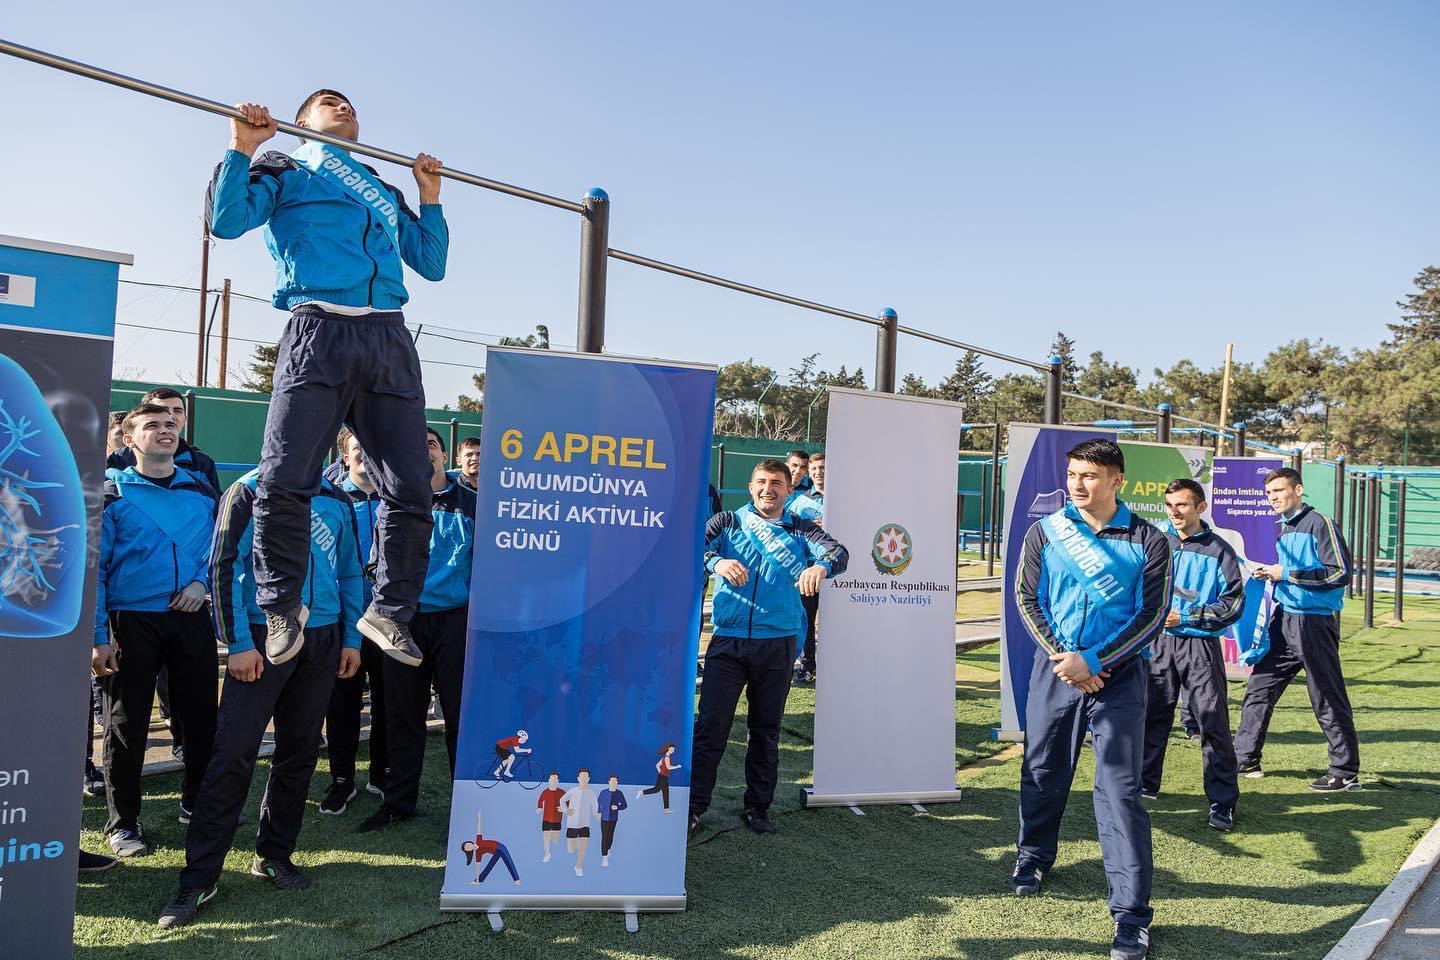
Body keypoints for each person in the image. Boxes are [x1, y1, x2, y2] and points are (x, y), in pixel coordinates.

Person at [208, 90, 449, 670]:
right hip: (318, 329)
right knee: (286, 477)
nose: (344, 108)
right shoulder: (285, 167)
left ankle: (390, 611)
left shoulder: (381, 188)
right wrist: (242, 147)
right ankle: (281, 605)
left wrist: (429, 197)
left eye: (350, 105)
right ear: (302, 122)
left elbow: (432, 263)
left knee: (412, 486)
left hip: (388, 336)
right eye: (328, 102)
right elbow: (226, 221)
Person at [157, 468, 363, 928]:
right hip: (260, 636)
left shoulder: (337, 497)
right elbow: (222, 566)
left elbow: (350, 571)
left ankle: (274, 854)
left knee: (300, 752)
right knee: (233, 753)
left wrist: (350, 638)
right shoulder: (248, 490)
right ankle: (199, 877)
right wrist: (238, 643)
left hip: (323, 638)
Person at [1013, 439, 1171, 960]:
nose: (1078, 484)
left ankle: (1131, 915)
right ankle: (1033, 857)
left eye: (1090, 475)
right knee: (1042, 768)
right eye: (1073, 474)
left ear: (1117, 480)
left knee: (1121, 791)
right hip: (1056, 669)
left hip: (1120, 678)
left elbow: (1152, 615)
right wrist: (1067, 661)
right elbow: (1027, 598)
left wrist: (1096, 661)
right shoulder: (1046, 530)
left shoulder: (1149, 540)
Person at [690, 460, 848, 838]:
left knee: (765, 731)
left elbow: (838, 553)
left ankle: (758, 807)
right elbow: (692, 548)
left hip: (777, 644)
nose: (768, 489)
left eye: (776, 483)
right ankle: (693, 808)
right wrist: (716, 561)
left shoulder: (802, 528)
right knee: (710, 728)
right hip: (728, 641)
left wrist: (821, 568)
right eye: (761, 482)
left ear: (789, 490)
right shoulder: (727, 521)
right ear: (750, 487)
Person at [92, 404, 220, 859]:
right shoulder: (111, 492)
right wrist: (98, 637)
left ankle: (196, 804)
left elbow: (218, 552)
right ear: (129, 440)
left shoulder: (201, 490)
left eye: (170, 424)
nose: (165, 430)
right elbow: (95, 570)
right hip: (131, 622)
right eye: (152, 425)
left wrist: (201, 584)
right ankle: (123, 822)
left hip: (191, 618)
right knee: (126, 725)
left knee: (201, 719)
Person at [359, 428, 476, 832]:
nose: (423, 450)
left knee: (460, 716)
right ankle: (398, 802)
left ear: (444, 454)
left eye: (430, 444)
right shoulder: (394, 506)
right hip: (402, 624)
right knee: (402, 715)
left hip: (457, 623)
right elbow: (375, 564)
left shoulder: (473, 505)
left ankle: (468, 806)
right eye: (414, 443)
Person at [1233, 467, 1358, 791]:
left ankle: (1344, 771)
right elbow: (1290, 573)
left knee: (1325, 694)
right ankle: (1244, 758)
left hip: (1313, 623)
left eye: (1278, 490)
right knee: (1260, 686)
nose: (1272, 498)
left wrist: (1285, 573)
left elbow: (1339, 573)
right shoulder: (1285, 528)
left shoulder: (1321, 523)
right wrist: (1270, 574)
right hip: (1285, 619)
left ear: (1298, 490)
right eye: (1268, 493)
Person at [1142, 479, 1243, 832]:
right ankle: (1144, 785)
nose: (1174, 512)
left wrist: (1185, 616)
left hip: (1200, 647)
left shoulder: (1220, 551)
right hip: (1157, 644)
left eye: (1182, 505)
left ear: (1200, 507)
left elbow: (1233, 605)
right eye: (1169, 505)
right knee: (1151, 716)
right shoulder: (1157, 541)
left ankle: (1222, 801)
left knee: (1212, 723)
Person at [321, 429, 390, 813]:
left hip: (386, 619)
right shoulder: (330, 499)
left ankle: (381, 772)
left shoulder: (395, 500)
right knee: (342, 703)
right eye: (357, 449)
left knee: (388, 698)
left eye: (371, 447)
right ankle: (341, 779)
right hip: (342, 617)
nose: (365, 455)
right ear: (344, 458)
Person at [107, 389, 221, 493]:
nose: (171, 416)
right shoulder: (118, 458)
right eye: (162, 410)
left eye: (178, 410)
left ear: (185, 418)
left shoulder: (202, 463)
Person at [788, 451, 826, 684]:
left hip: (837, 570)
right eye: (814, 469)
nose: (818, 473)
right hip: (809, 570)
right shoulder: (801, 502)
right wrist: (808, 527)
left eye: (823, 468)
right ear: (809, 474)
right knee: (806, 620)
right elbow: (789, 531)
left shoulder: (845, 498)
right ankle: (807, 666)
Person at [464, 810, 520, 886]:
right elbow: (478, 866)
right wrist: (477, 878)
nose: (469, 846)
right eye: (467, 848)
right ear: (469, 851)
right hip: (496, 851)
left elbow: (479, 829)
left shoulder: (478, 840)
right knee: (490, 865)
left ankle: (517, 880)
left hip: (500, 847)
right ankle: (478, 880)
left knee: (508, 861)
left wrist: (479, 818)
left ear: (470, 842)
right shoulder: (478, 853)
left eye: (468, 845)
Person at [561, 770, 599, 877]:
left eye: (586, 777)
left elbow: (595, 806)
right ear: (578, 779)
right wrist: (565, 810)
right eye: (582, 777)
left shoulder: (591, 793)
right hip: (572, 824)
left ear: (588, 779)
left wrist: (596, 814)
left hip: (585, 824)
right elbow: (562, 800)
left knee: (583, 848)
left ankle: (578, 867)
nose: (583, 779)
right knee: (571, 850)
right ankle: (576, 843)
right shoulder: (572, 791)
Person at [636, 743, 681, 812]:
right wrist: (677, 766)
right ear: (669, 748)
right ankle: (641, 792)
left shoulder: (664, 757)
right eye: (673, 749)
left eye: (674, 749)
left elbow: (657, 765)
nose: (673, 751)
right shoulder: (666, 758)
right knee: (656, 790)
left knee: (665, 792)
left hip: (664, 777)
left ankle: (666, 809)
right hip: (663, 777)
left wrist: (660, 773)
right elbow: (668, 767)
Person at [597, 775, 627, 867]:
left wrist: (617, 807)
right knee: (604, 836)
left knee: (610, 835)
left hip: (613, 818)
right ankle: (604, 857)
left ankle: (608, 849)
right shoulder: (603, 792)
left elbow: (624, 805)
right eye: (612, 781)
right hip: (604, 818)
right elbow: (598, 802)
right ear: (609, 782)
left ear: (617, 783)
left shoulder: (619, 793)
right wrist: (598, 812)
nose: (613, 783)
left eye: (615, 781)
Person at [537, 772, 564, 862]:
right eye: (552, 779)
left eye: (555, 779)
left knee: (555, 839)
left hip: (557, 819)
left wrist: (563, 808)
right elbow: (540, 800)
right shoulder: (545, 792)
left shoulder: (561, 792)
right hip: (546, 818)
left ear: (558, 781)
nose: (553, 781)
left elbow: (567, 802)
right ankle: (547, 853)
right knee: (546, 835)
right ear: (549, 780)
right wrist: (540, 808)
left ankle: (553, 842)